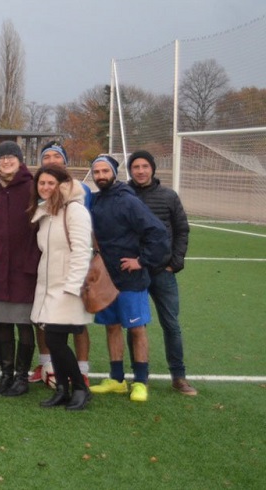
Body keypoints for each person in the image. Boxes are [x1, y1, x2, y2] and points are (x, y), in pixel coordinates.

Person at [89, 155, 170, 403]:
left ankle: (141, 381)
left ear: (114, 172)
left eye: (105, 171)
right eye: (97, 172)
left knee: (136, 328)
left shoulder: (128, 200)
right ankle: (116, 379)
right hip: (106, 277)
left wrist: (141, 261)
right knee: (111, 327)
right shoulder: (95, 200)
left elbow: (157, 231)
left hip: (130, 278)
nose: (101, 175)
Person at [128, 150, 196, 396]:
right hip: (134, 271)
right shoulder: (124, 194)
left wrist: (174, 262)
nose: (141, 170)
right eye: (136, 166)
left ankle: (179, 376)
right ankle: (139, 377)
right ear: (130, 170)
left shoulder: (168, 196)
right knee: (135, 326)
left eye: (145, 166)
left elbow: (182, 230)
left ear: (152, 168)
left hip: (162, 272)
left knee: (171, 324)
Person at [29, 166, 94, 410]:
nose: (45, 187)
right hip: (48, 288)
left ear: (62, 184)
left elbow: (80, 251)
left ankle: (80, 388)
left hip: (68, 289)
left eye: (50, 183)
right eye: (41, 183)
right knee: (54, 339)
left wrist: (73, 287)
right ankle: (62, 389)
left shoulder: (75, 210)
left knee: (55, 340)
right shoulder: (46, 210)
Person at [0, 141, 40, 397]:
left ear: (20, 160)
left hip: (26, 267)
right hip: (1, 266)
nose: (6, 161)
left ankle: (21, 377)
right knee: (3, 322)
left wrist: (34, 260)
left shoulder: (32, 186)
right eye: (2, 157)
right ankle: (6, 374)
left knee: (24, 324)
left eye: (11, 157)